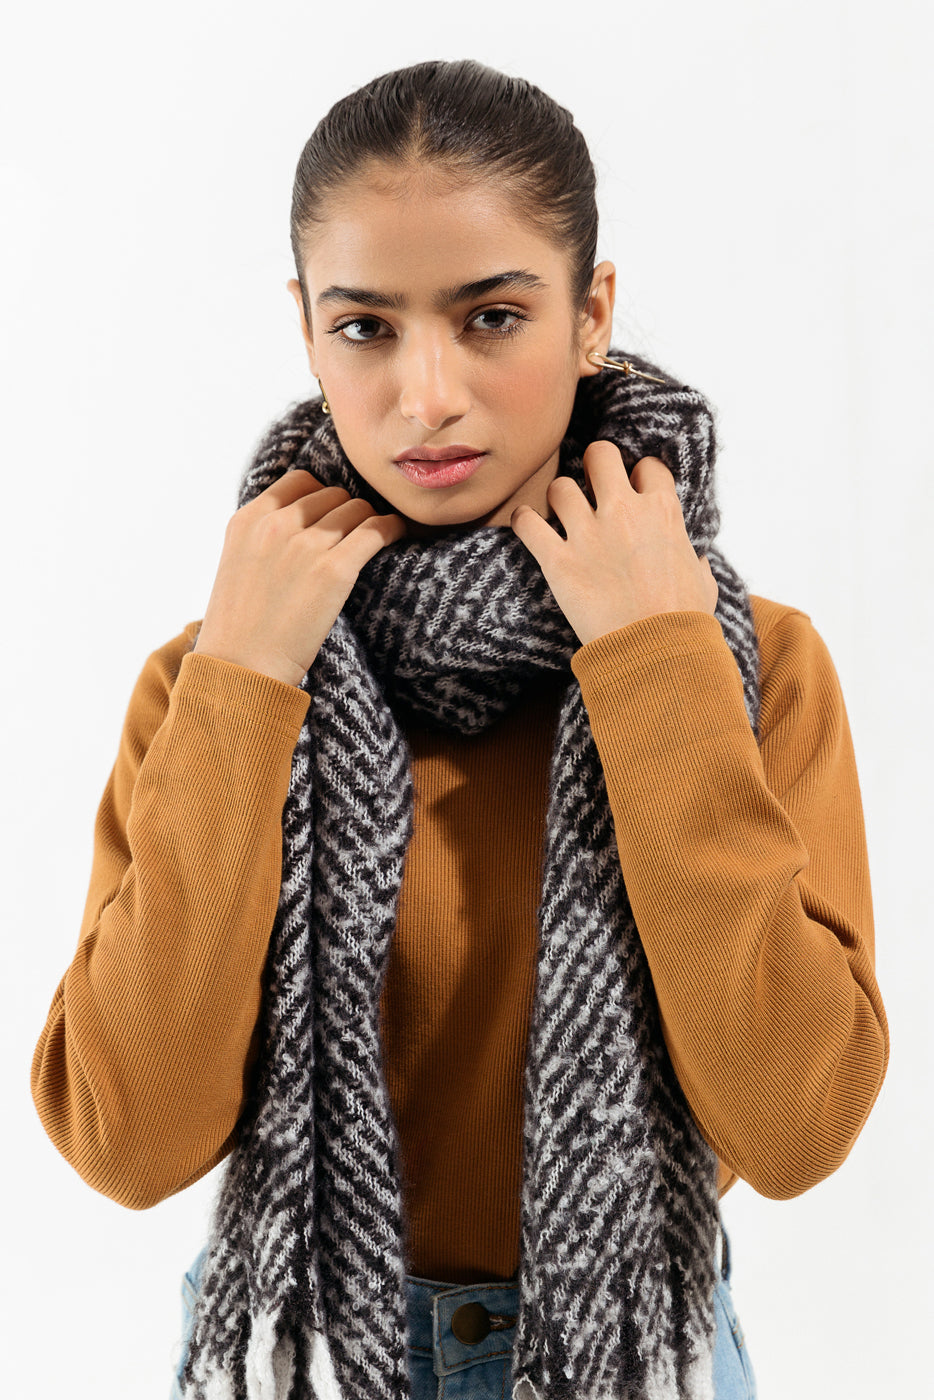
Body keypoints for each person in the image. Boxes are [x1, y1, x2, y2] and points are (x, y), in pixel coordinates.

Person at [30, 59, 888, 1400]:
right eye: (366, 327)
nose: (426, 394)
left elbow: (794, 1128)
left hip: (638, 1354)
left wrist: (652, 667)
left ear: (591, 312)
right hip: (308, 1356)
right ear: (306, 329)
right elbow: (128, 1144)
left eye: (491, 317)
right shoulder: (211, 683)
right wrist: (246, 681)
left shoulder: (748, 667)